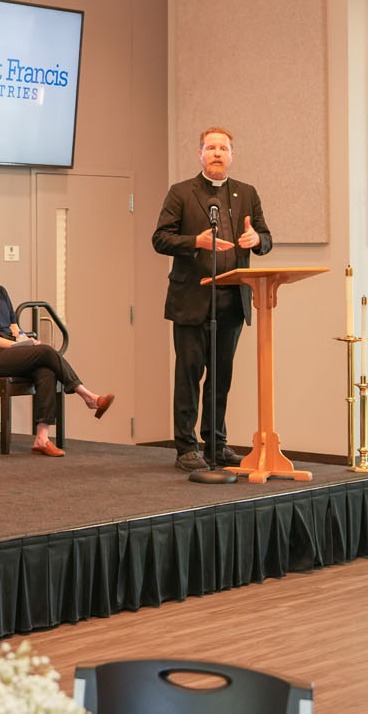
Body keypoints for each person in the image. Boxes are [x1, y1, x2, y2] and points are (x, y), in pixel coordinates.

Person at [151, 127, 272, 474]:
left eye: (224, 148)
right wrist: (196, 242)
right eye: (211, 147)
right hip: (191, 298)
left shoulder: (246, 194)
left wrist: (256, 240)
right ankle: (186, 447)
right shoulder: (181, 193)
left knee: (222, 377)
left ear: (232, 155)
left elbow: (266, 237)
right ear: (201, 154)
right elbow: (160, 239)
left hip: (231, 302)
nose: (217, 153)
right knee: (189, 375)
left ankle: (216, 442)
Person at [0, 244, 114, 456]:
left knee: (45, 370)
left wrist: (24, 340)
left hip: (9, 353)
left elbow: (14, 328)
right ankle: (88, 396)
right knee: (46, 352)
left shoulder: (0, 292)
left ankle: (41, 438)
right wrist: (15, 345)